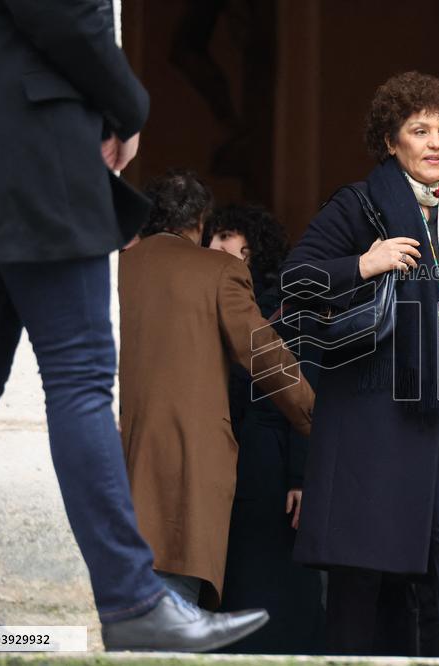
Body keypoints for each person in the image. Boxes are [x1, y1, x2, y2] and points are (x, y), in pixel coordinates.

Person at [0, 0, 268, 651]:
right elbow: (66, 17)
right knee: (79, 381)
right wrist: (127, 105)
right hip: (42, 161)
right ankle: (135, 601)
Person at [282, 71, 439, 658]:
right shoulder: (358, 205)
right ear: (390, 142)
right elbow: (293, 281)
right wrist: (365, 261)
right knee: (363, 565)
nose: (436, 143)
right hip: (376, 412)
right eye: (419, 130)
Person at [119, 171, 314, 610]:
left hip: (115, 461)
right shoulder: (219, 271)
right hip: (187, 470)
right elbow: (265, 356)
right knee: (177, 612)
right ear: (200, 223)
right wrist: (312, 418)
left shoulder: (116, 270)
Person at [206, 204, 325, 654]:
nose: (214, 248)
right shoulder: (210, 299)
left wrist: (301, 475)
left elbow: (303, 383)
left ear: (251, 251)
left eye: (225, 239)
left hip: (273, 463)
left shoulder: (286, 305)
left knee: (275, 580)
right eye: (212, 238)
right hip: (229, 459)